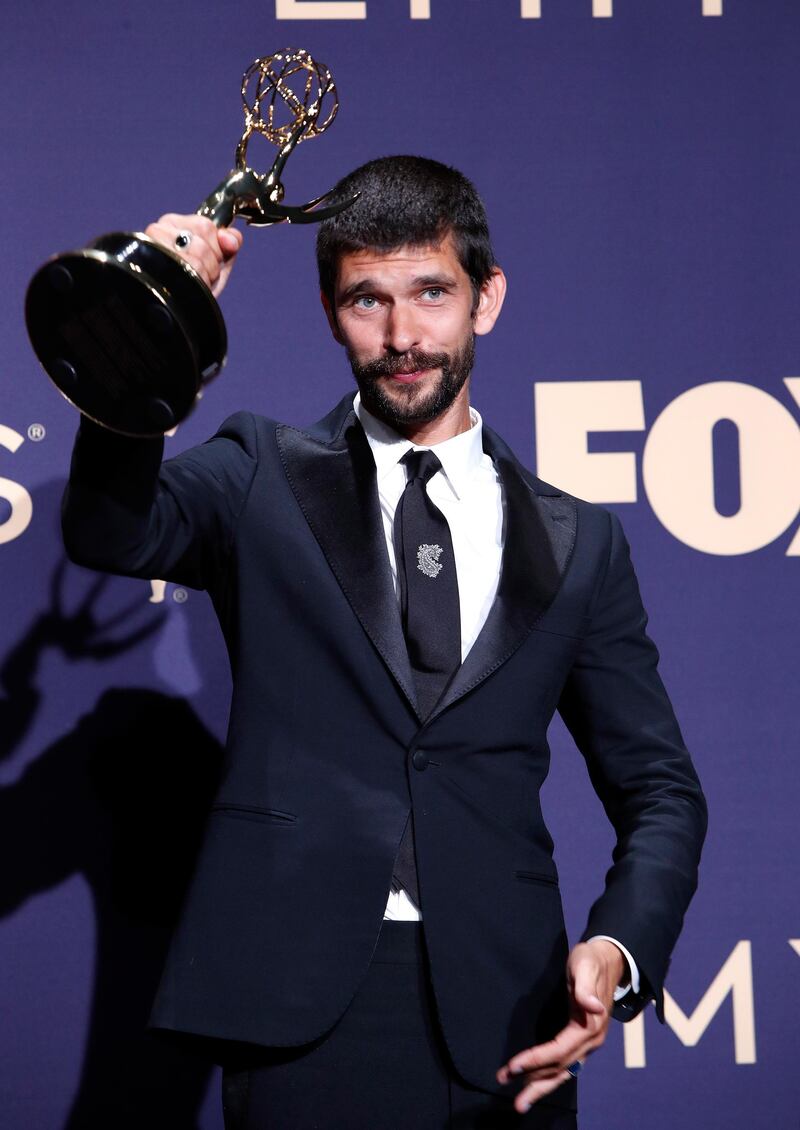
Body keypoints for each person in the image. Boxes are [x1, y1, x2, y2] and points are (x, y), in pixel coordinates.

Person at [61, 156, 707, 1129]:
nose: (402, 336)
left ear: (484, 299)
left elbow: (659, 788)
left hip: (511, 1015)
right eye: (367, 299)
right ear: (330, 310)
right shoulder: (259, 475)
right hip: (303, 1012)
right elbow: (110, 530)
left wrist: (616, 950)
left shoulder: (579, 541)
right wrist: (145, 327)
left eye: (430, 293)